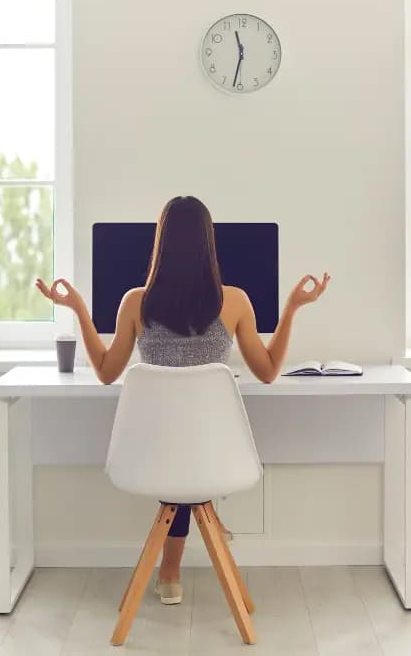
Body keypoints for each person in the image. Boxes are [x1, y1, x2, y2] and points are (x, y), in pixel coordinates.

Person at [36, 196, 330, 605]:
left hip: (154, 451)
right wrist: (292, 309)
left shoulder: (135, 302)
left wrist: (79, 310)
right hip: (215, 452)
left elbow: (105, 372)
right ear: (209, 243)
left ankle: (170, 572)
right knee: (192, 454)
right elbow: (267, 371)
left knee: (178, 451)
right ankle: (200, 519)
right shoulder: (236, 301)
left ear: (160, 243)